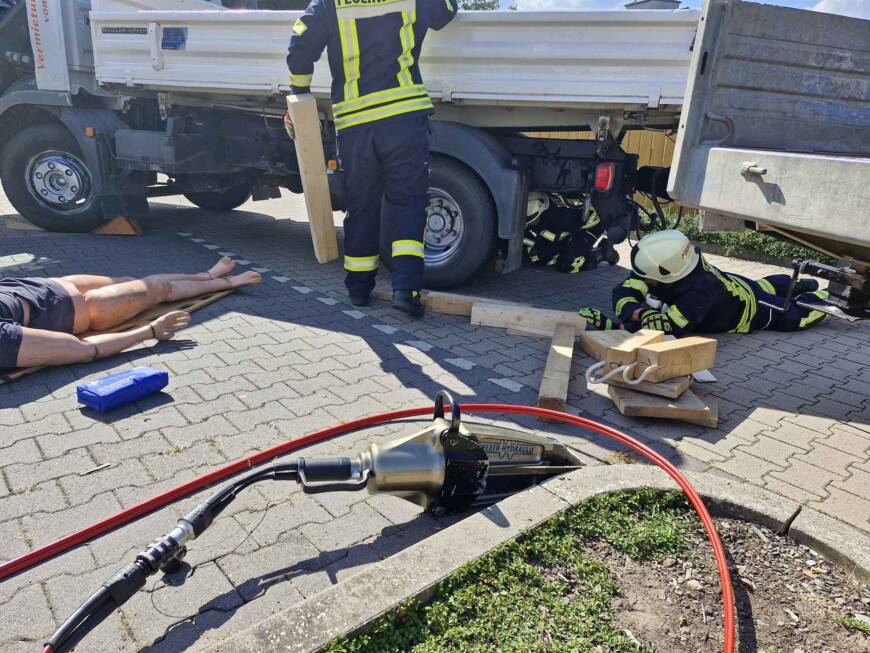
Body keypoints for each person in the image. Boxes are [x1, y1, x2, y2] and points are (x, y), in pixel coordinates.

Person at [285, 0, 459, 317]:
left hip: (355, 125)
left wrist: (300, 94)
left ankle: (359, 290)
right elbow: (446, 11)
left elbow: (300, 40)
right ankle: (406, 290)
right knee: (407, 203)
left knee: (361, 205)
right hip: (404, 118)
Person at [0, 258, 261, 371]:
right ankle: (228, 283)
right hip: (89, 308)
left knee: (132, 280)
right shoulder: (3, 342)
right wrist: (149, 332)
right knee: (158, 288)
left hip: (54, 285)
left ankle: (204, 275)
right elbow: (82, 349)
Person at [581, 230, 829, 335]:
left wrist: (612, 328)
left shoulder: (699, 290)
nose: (642, 279)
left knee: (795, 315)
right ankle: (797, 284)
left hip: (751, 311)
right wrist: (635, 312)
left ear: (667, 274)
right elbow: (626, 289)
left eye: (647, 277)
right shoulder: (677, 262)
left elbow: (671, 328)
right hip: (736, 285)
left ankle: (822, 299)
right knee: (763, 284)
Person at [524, 192, 616, 273]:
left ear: (541, 208)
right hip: (573, 224)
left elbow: (548, 249)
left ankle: (603, 253)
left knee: (567, 264)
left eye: (530, 218)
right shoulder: (543, 204)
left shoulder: (554, 220)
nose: (529, 222)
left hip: (591, 226)